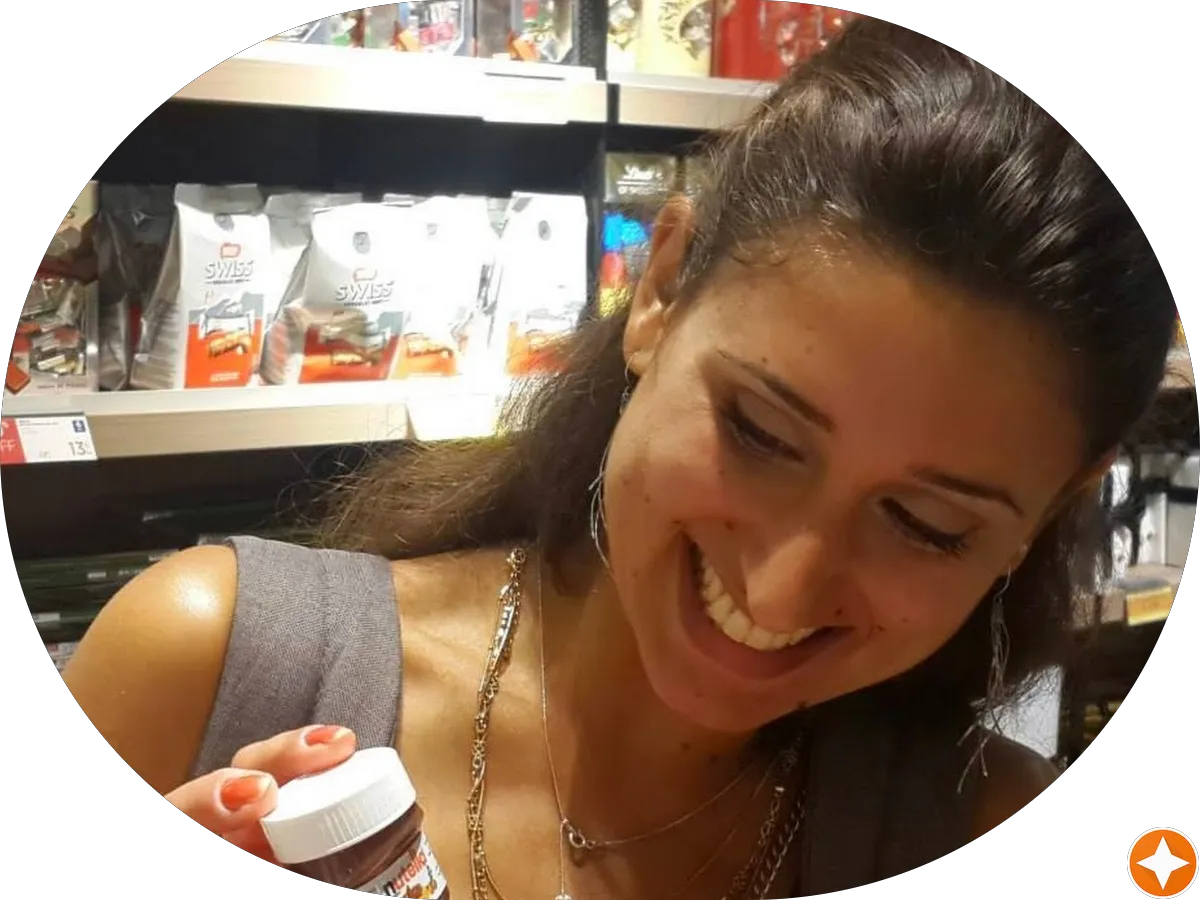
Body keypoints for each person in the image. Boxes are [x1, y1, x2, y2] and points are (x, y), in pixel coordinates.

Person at [61, 17, 1177, 900]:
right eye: (761, 434)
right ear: (661, 291)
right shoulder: (210, 665)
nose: (780, 588)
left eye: (927, 525)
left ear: (1046, 514)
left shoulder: (978, 814)